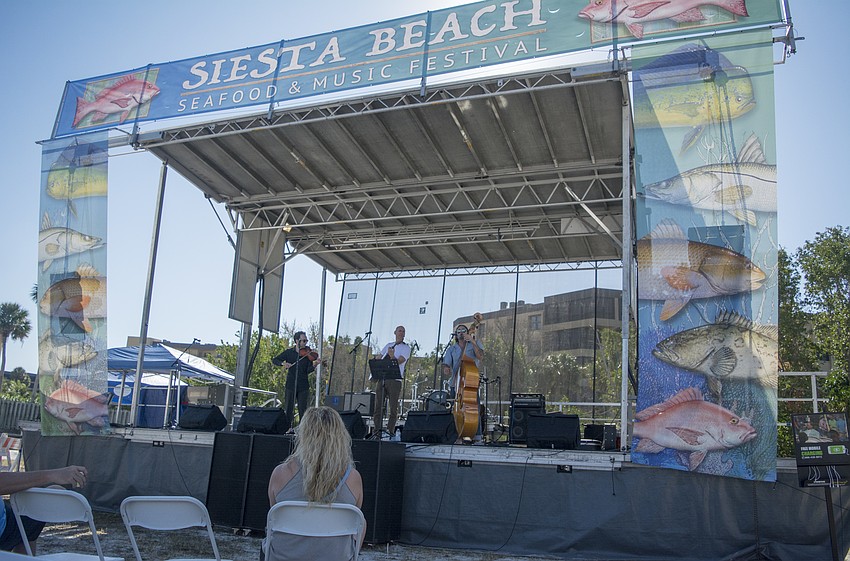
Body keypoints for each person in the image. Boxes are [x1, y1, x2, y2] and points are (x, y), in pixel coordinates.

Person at [265, 407, 364, 561]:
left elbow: (274, 517)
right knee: (362, 522)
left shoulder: (281, 474)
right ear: (341, 436)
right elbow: (356, 524)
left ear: (303, 435)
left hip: (283, 557)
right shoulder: (353, 478)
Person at [0, 465, 88, 554]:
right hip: (4, 529)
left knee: (28, 513)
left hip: (6, 517)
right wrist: (53, 475)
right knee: (33, 512)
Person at [442, 323, 484, 441]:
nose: (461, 332)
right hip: (455, 384)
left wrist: (472, 341)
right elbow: (446, 363)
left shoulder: (475, 343)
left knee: (474, 409)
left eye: (463, 330)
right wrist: (446, 367)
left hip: (470, 383)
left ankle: (477, 435)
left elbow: (480, 356)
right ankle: (456, 434)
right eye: (458, 331)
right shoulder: (452, 348)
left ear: (468, 332)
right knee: (455, 411)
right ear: (456, 334)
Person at [272, 331, 320, 428]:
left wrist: (315, 365)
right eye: (303, 341)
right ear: (297, 341)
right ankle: (287, 429)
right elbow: (275, 360)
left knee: (303, 410)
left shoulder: (307, 355)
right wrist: (283, 364)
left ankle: (302, 430)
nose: (305, 343)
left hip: (303, 386)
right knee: (289, 409)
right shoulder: (289, 352)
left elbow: (307, 370)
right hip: (291, 384)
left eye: (306, 341)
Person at [372, 325, 410, 439]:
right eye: (399, 331)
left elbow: (400, 361)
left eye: (403, 331)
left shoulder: (405, 348)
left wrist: (392, 356)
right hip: (383, 378)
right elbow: (380, 356)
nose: (401, 333)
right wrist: (376, 360)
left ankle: (390, 431)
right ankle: (377, 431)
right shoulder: (389, 345)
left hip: (395, 380)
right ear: (395, 332)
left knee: (393, 408)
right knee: (378, 406)